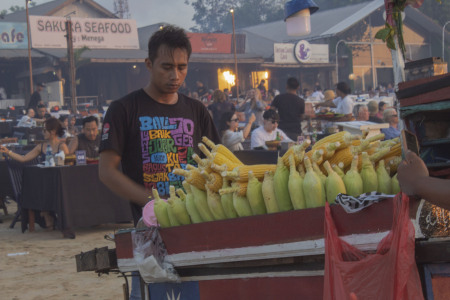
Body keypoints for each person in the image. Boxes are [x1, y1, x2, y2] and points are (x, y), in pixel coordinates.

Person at [99, 26, 220, 300]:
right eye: (166, 67)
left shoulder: (197, 110)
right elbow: (106, 172)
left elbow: (214, 162)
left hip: (193, 226)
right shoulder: (124, 109)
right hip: (148, 233)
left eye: (181, 67)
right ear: (149, 64)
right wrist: (152, 203)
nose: (175, 75)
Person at [0, 117, 69, 229]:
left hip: (58, 180)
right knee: (37, 186)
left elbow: (68, 163)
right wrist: (8, 152)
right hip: (44, 180)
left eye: (45, 130)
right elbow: (24, 159)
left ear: (53, 131)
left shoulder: (62, 146)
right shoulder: (41, 146)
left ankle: (46, 213)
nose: (43, 132)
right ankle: (46, 213)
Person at [270, 77, 305, 141]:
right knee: (299, 149)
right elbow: (302, 117)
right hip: (296, 131)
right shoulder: (301, 101)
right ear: (298, 87)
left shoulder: (278, 98)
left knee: (281, 150)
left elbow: (271, 112)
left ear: (286, 86)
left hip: (281, 131)